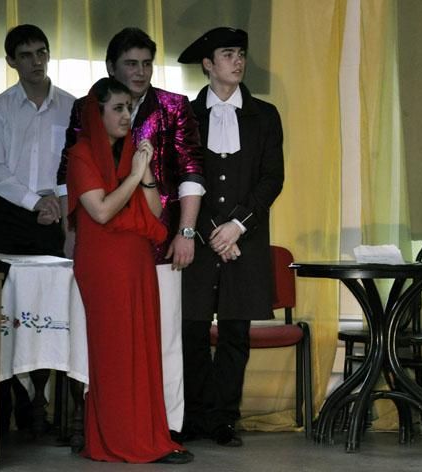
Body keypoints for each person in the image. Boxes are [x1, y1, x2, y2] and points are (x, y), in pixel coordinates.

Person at [56, 27, 204, 438]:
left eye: (147, 64)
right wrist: (71, 231)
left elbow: (192, 171)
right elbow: (69, 174)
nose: (140, 72)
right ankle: (106, 426)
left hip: (159, 239)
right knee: (104, 341)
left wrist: (186, 231)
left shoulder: (173, 106)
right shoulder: (89, 107)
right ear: (111, 67)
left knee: (164, 338)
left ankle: (166, 427)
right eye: (131, 64)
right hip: (104, 245)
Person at [178, 27, 284, 447]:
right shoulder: (186, 115)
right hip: (199, 239)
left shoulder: (265, 115)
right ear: (208, 64)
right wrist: (210, 230)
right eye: (227, 54)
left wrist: (237, 225)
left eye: (240, 53)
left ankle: (224, 419)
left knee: (235, 333)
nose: (238, 61)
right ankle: (195, 416)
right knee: (192, 331)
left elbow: (272, 179)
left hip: (245, 240)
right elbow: (182, 177)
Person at [0, 24, 75, 435]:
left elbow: (74, 166)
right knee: (4, 311)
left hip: (55, 218)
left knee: (50, 311)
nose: (36, 61)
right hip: (10, 218)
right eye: (26, 55)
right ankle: (4, 407)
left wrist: (60, 210)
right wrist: (34, 201)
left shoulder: (71, 106)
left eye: (42, 52)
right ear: (11, 61)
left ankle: (40, 404)